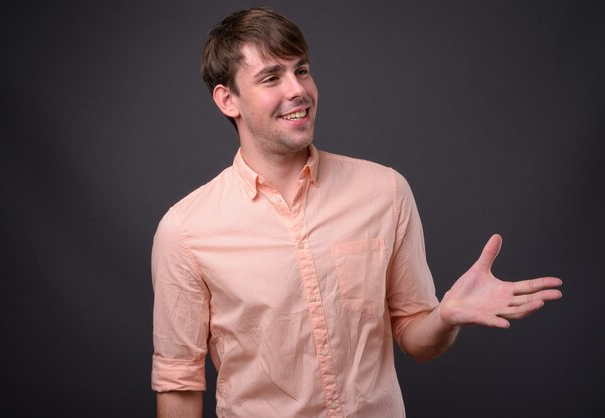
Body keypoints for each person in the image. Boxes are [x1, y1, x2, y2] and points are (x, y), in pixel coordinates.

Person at [151, 7, 562, 418]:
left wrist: (445, 318)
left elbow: (415, 338)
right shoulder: (186, 230)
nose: (298, 90)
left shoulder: (385, 191)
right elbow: (179, 383)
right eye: (272, 77)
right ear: (227, 99)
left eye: (303, 70)